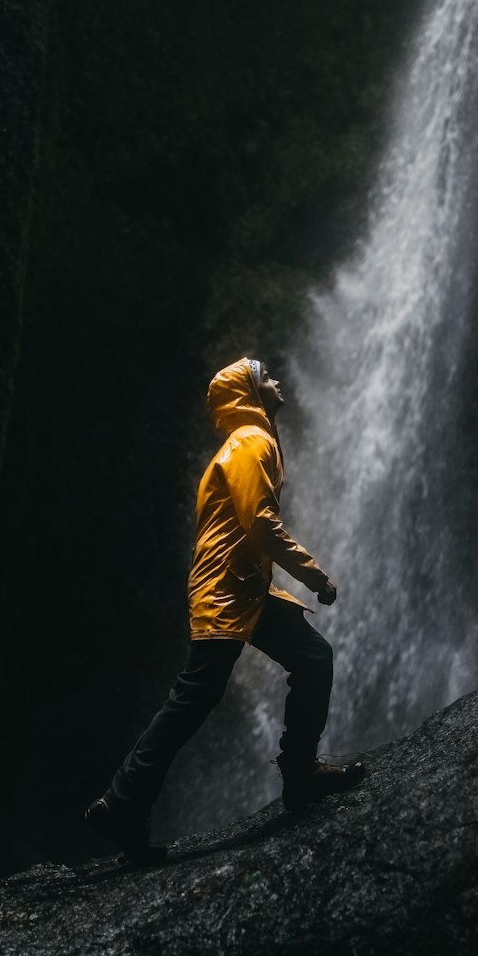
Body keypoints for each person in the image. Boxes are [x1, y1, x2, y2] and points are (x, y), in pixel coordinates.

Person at [85, 355, 365, 864]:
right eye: (267, 378)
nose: (278, 381)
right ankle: (122, 802)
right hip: (225, 592)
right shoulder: (250, 442)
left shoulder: (250, 440)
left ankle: (298, 773)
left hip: (246, 591)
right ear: (252, 394)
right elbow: (260, 522)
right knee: (195, 696)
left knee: (310, 657)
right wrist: (314, 575)